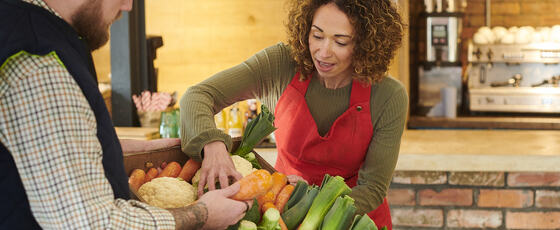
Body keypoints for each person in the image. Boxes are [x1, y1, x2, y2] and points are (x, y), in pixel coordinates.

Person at [0, 0, 249, 229]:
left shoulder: (23, 29)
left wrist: (122, 147)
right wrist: (201, 214)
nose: (128, 6)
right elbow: (91, 224)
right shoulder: (42, 66)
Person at [180, 0, 407, 228]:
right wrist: (212, 144)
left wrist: (304, 202)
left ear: (366, 44)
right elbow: (198, 95)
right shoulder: (281, 65)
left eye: (340, 41)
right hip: (281, 213)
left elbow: (372, 189)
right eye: (317, 36)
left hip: (352, 220)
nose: (323, 51)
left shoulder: (388, 95)